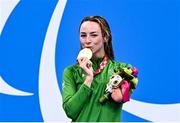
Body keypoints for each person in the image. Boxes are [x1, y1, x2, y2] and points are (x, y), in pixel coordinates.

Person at [62, 16, 138, 122]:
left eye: (94, 35)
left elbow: (132, 80)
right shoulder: (70, 72)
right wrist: (88, 79)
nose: (87, 41)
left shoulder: (122, 70)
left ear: (105, 37)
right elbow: (70, 111)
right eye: (83, 35)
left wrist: (123, 94)